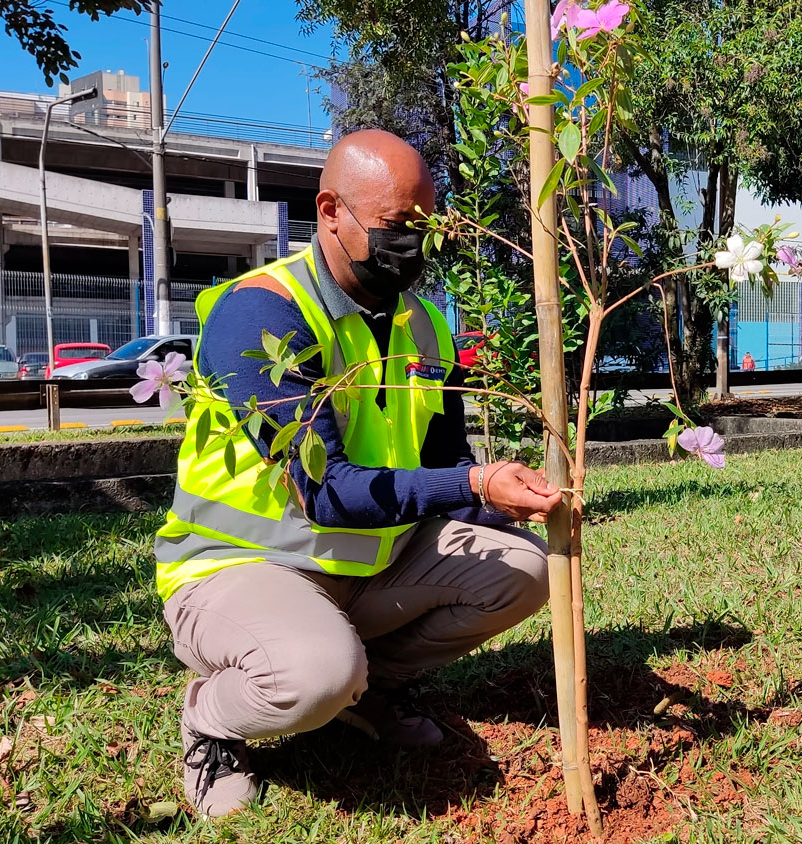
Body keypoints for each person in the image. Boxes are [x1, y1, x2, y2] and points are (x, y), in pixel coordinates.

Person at [153, 129, 563, 816]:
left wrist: (507, 500)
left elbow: (444, 467)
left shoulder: (426, 326)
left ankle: (372, 690)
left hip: (370, 569)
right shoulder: (260, 316)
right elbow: (328, 491)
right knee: (315, 673)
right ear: (329, 211)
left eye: (427, 228)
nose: (415, 246)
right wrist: (472, 484)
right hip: (241, 571)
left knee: (526, 571)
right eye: (396, 227)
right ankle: (213, 720)